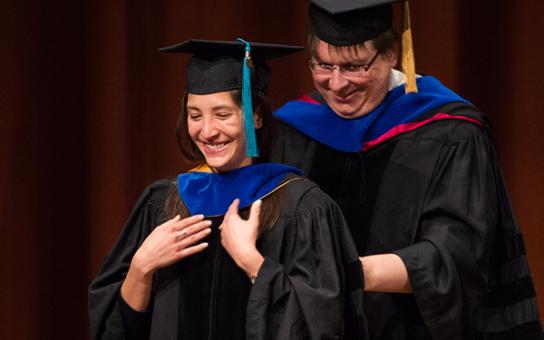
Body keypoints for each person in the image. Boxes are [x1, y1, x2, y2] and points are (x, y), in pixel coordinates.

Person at [270, 0, 544, 339]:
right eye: (323, 65)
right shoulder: (295, 129)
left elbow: (458, 256)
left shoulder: (451, 133)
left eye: (354, 66)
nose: (337, 84)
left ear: (391, 54)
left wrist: (349, 273)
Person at [88, 38, 366, 340]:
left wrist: (253, 262)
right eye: (195, 116)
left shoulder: (303, 208)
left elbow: (323, 324)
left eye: (222, 115)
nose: (207, 131)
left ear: (256, 116)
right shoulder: (164, 203)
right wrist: (141, 267)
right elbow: (115, 329)